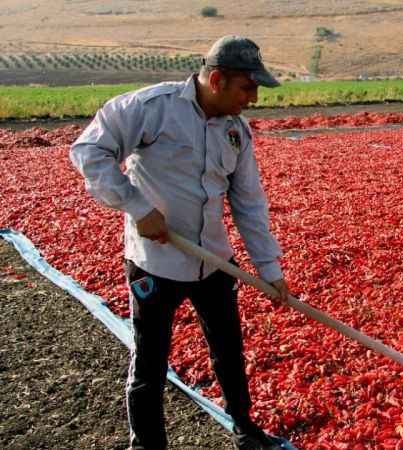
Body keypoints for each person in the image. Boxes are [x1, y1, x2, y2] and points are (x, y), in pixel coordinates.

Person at [70, 36, 291, 450]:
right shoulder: (152, 108)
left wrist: (269, 268)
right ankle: (147, 444)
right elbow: (89, 152)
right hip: (156, 261)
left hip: (214, 261)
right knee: (150, 358)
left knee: (229, 350)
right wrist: (138, 207)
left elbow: (249, 203)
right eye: (247, 87)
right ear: (217, 80)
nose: (254, 98)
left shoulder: (236, 131)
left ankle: (245, 429)